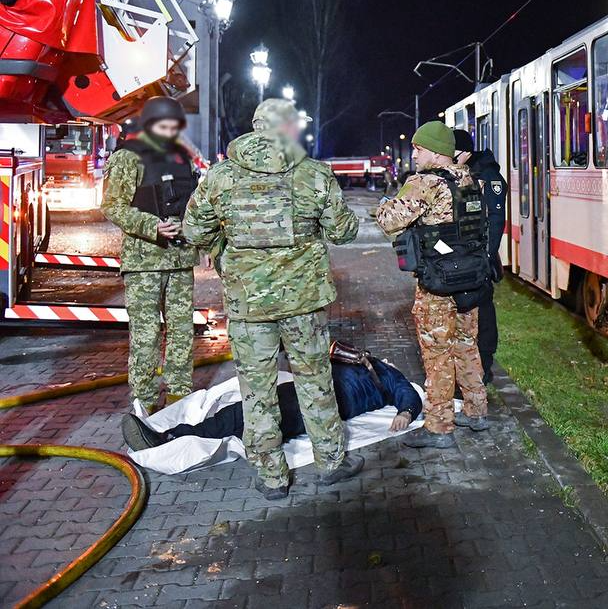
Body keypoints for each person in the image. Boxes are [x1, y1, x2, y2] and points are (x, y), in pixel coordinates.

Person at [183, 99, 362, 499]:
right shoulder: (314, 174)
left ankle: (271, 476)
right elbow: (344, 232)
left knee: (256, 389)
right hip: (304, 302)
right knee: (315, 381)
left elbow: (193, 231)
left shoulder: (220, 177)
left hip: (249, 305)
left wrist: (225, 245)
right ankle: (331, 462)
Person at [376, 121, 489, 449]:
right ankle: (477, 411)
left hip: (438, 283)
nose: (413, 154)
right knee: (467, 344)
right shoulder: (471, 180)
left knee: (437, 352)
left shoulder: (424, 184)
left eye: (419, 148)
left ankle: (439, 427)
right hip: (470, 278)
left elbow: (389, 220)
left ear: (437, 153)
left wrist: (384, 204)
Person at [121, 347, 422, 451]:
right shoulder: (361, 361)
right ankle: (171, 434)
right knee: (248, 411)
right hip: (308, 388)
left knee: (251, 420)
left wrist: (406, 412)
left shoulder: (384, 375)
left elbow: (407, 393)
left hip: (326, 401)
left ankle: (169, 437)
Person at [102, 96, 199, 413]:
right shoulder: (128, 159)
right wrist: (151, 226)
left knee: (182, 334)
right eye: (164, 126)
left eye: (174, 127)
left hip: (181, 260)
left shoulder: (182, 158)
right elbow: (112, 206)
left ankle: (179, 398)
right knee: (146, 337)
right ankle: (144, 403)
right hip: (144, 263)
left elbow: (193, 204)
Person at [454, 128, 507, 383]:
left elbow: (495, 221)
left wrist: (485, 257)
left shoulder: (488, 177)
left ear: (465, 152)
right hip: (466, 259)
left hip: (481, 261)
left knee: (484, 315)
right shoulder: (462, 174)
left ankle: (484, 367)